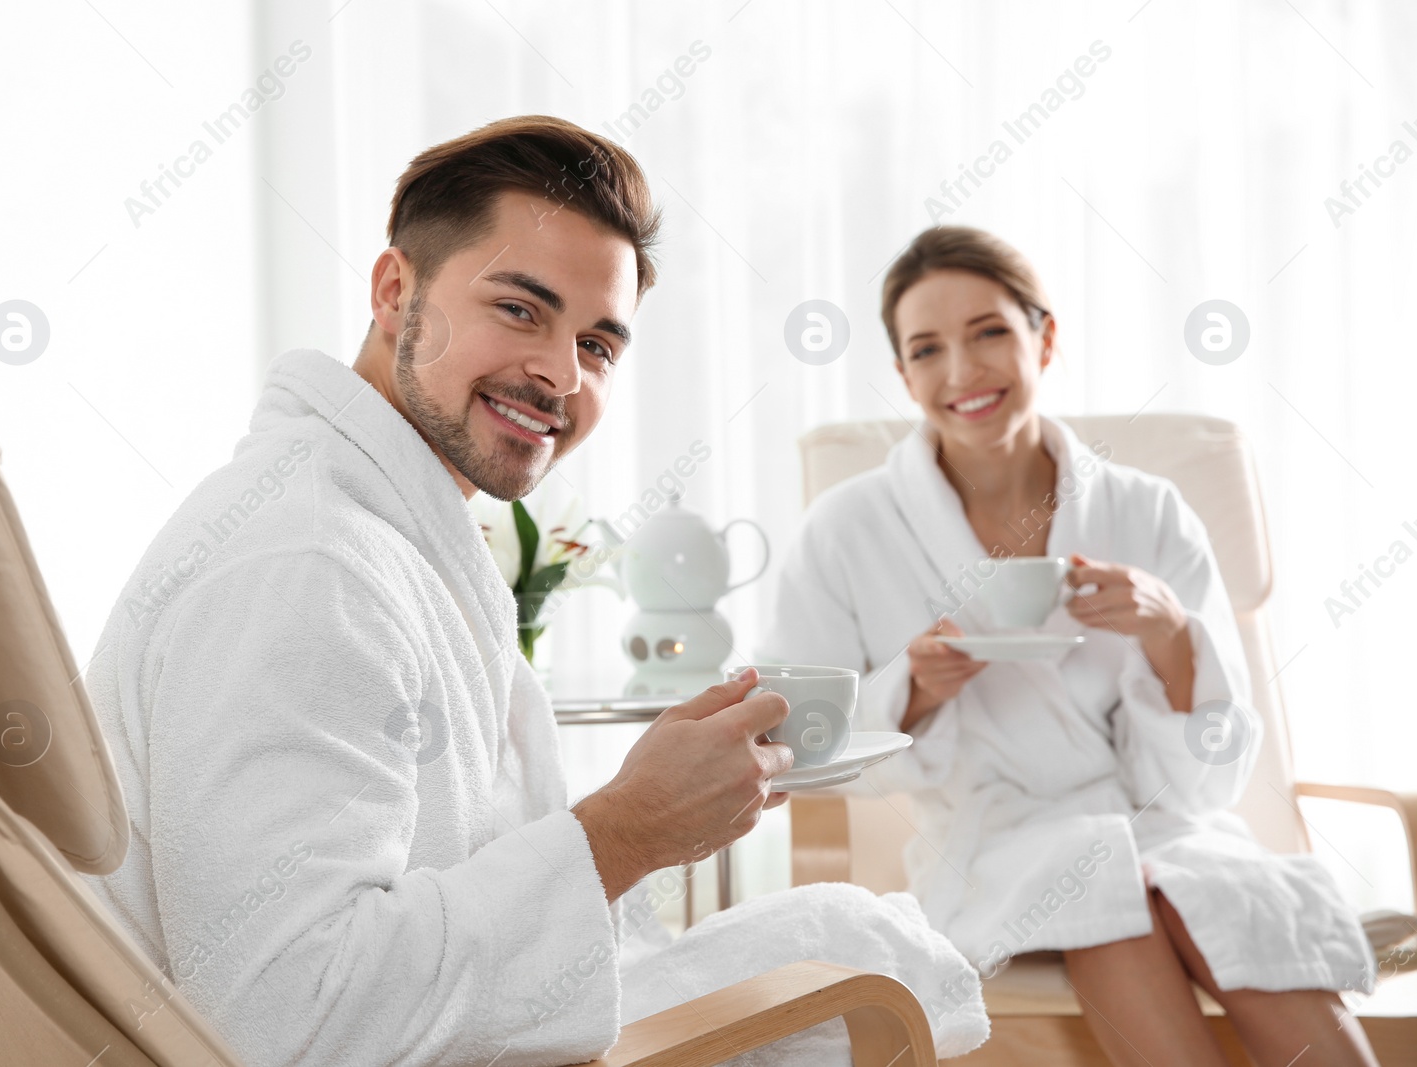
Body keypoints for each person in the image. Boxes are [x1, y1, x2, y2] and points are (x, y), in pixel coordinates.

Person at [84, 117, 986, 1067]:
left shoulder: (379, 530)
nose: (561, 373)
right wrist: (626, 830)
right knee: (861, 961)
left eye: (598, 345)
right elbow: (283, 1019)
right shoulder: (308, 564)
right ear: (398, 292)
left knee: (857, 942)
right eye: (520, 309)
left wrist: (653, 805)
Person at [755, 225, 1381, 1066]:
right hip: (994, 843)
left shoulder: (1148, 510)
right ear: (903, 374)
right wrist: (917, 687)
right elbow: (801, 740)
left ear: (1044, 339)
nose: (962, 372)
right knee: (1105, 879)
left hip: (1165, 826)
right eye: (927, 348)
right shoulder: (847, 528)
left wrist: (1169, 634)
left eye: (989, 333)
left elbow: (1215, 771)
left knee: (1206, 885)